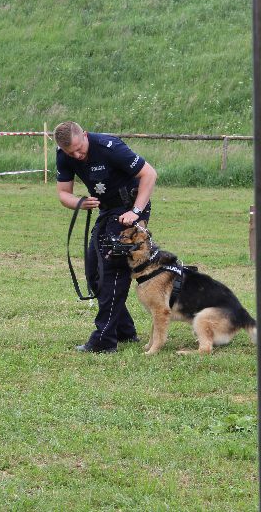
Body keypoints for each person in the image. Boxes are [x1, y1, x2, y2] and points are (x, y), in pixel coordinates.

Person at [54, 121, 158, 353]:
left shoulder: (109, 147)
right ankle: (124, 331)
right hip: (107, 211)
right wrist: (79, 202)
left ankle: (104, 340)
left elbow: (149, 174)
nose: (77, 155)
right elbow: (63, 194)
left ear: (85, 135)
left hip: (130, 208)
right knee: (94, 273)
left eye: (79, 149)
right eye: (71, 153)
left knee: (112, 270)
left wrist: (136, 212)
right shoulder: (63, 155)